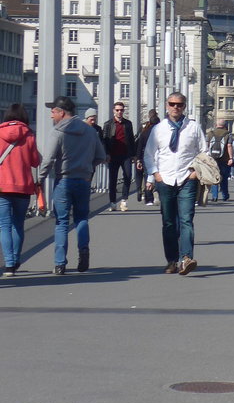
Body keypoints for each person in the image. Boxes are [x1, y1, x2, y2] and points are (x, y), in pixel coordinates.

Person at [38, 95, 106, 275]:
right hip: (83, 180)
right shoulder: (90, 131)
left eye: (53, 112)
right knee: (82, 218)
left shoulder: (58, 132)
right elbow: (101, 155)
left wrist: (40, 178)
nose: (51, 116)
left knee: (61, 222)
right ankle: (84, 252)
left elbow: (48, 159)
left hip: (64, 180)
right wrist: (88, 170)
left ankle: (60, 263)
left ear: (61, 112)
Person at [148, 92, 205, 275]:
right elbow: (149, 154)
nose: (175, 107)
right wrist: (155, 174)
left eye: (179, 105)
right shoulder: (159, 129)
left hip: (186, 178)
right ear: (166, 106)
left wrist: (196, 172)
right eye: (172, 104)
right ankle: (172, 260)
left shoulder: (193, 127)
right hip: (165, 179)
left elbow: (204, 151)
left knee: (186, 220)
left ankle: (186, 258)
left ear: (184, 107)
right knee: (169, 222)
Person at [0, 103, 42, 277]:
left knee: (4, 225)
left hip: (2, 186)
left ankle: (8, 263)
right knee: (18, 224)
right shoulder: (29, 135)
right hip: (24, 187)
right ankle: (16, 260)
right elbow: (35, 162)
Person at [102, 101, 136, 212]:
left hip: (125, 155)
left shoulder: (128, 124)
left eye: (121, 110)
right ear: (113, 111)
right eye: (117, 110)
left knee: (128, 176)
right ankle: (112, 202)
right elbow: (105, 140)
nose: (119, 112)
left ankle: (124, 200)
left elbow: (131, 139)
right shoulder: (108, 124)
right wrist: (106, 153)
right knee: (113, 179)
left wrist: (134, 155)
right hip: (113, 155)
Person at [135, 109, 160, 206]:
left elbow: (140, 145)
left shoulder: (145, 132)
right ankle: (156, 192)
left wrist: (138, 159)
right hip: (158, 157)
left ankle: (148, 198)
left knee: (147, 175)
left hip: (146, 156)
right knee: (158, 174)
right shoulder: (160, 132)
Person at [205, 120, 232, 203]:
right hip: (224, 159)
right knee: (223, 177)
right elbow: (229, 146)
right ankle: (225, 195)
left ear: (216, 125)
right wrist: (231, 158)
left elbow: (206, 145)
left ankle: (214, 196)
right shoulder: (228, 134)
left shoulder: (210, 134)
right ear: (225, 126)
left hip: (212, 159)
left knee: (214, 177)